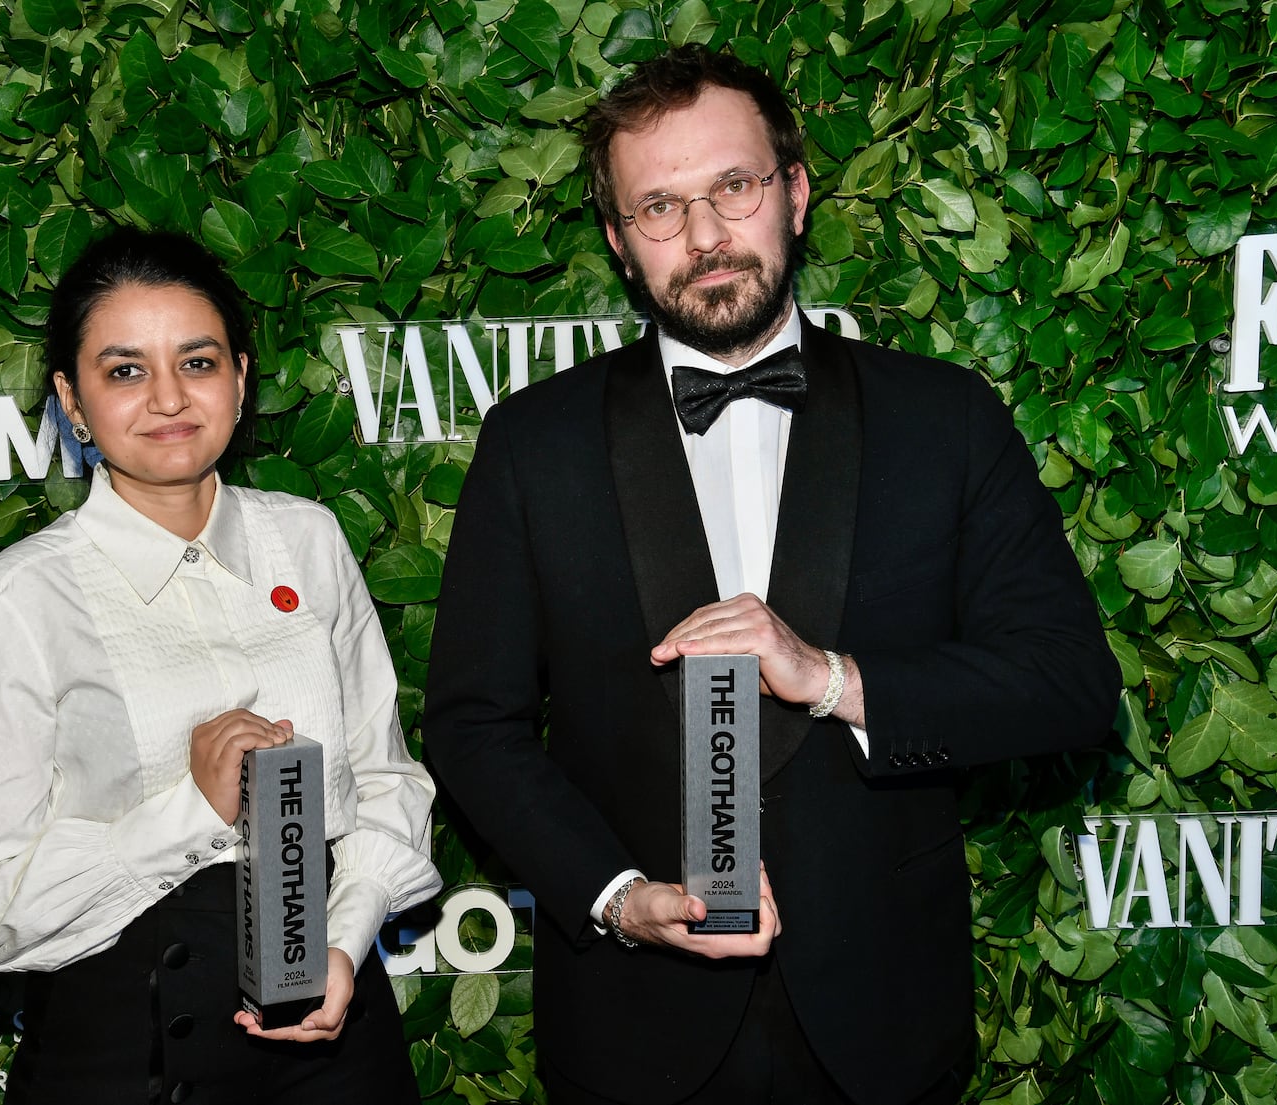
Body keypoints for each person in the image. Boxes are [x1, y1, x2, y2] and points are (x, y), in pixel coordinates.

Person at [423, 45, 1119, 1105]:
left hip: (881, 1026)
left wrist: (833, 676)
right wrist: (614, 895)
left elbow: (1068, 682)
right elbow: (474, 727)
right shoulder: (534, 445)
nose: (704, 238)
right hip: (631, 1030)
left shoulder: (943, 419)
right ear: (617, 241)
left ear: (793, 192)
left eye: (732, 187)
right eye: (659, 207)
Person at [0, 227, 441, 1105]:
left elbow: (388, 784)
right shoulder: (23, 598)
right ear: (70, 400)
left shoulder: (307, 539)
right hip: (128, 1056)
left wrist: (343, 944)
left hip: (337, 1048)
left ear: (240, 376)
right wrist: (190, 808)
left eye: (196, 362)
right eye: (124, 370)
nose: (167, 397)